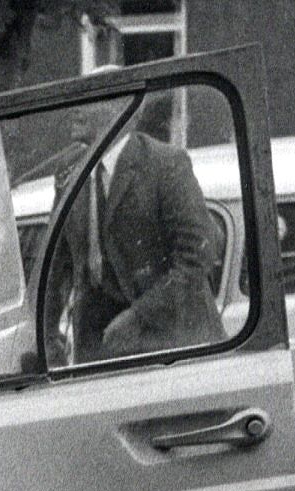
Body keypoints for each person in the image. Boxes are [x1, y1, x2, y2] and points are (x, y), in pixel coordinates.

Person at [53, 92, 223, 363]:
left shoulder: (165, 163)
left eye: (90, 97)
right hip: (102, 353)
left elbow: (197, 255)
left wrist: (138, 317)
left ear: (120, 111)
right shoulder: (69, 171)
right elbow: (58, 263)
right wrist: (46, 340)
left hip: (172, 348)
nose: (76, 104)